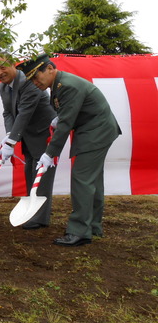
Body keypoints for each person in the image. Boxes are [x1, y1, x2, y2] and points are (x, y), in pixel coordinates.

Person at [20, 53, 121, 246]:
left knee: (82, 179)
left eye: (36, 76)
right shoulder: (58, 85)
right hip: (94, 129)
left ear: (50, 69)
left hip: (95, 131)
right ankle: (93, 227)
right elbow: (66, 115)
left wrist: (49, 153)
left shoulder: (66, 85)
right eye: (30, 79)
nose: (34, 82)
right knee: (92, 180)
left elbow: (66, 124)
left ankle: (79, 231)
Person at [0, 55, 57, 230]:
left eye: (3, 67)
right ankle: (32, 211)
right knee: (30, 171)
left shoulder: (28, 81)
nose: (0, 72)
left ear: (13, 65)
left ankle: (40, 218)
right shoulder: (3, 87)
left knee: (42, 175)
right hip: (27, 134)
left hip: (44, 133)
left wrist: (11, 142)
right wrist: (8, 134)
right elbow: (8, 113)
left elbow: (24, 113)